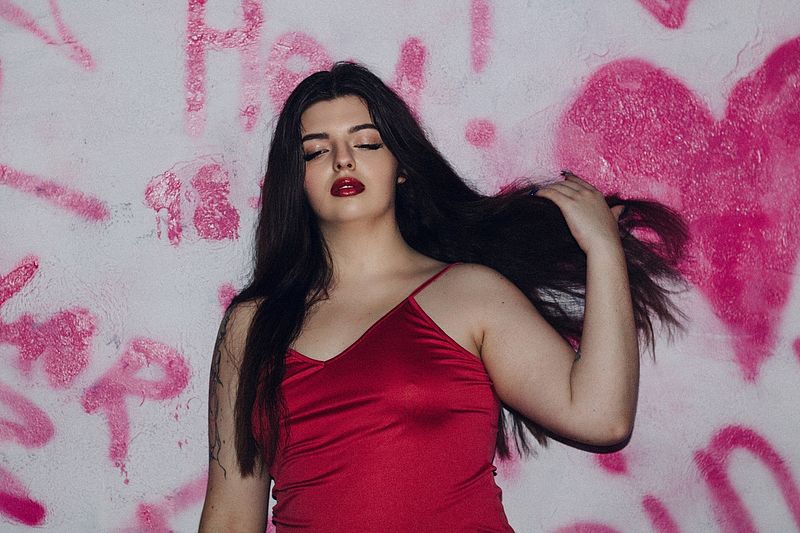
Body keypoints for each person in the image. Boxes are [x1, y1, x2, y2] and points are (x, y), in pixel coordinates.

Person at [198, 62, 686, 532]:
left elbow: (602, 418)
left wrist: (603, 248)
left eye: (366, 143)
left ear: (401, 167)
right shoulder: (252, 324)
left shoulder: (470, 293)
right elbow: (230, 520)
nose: (343, 160)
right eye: (316, 151)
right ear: (297, 180)